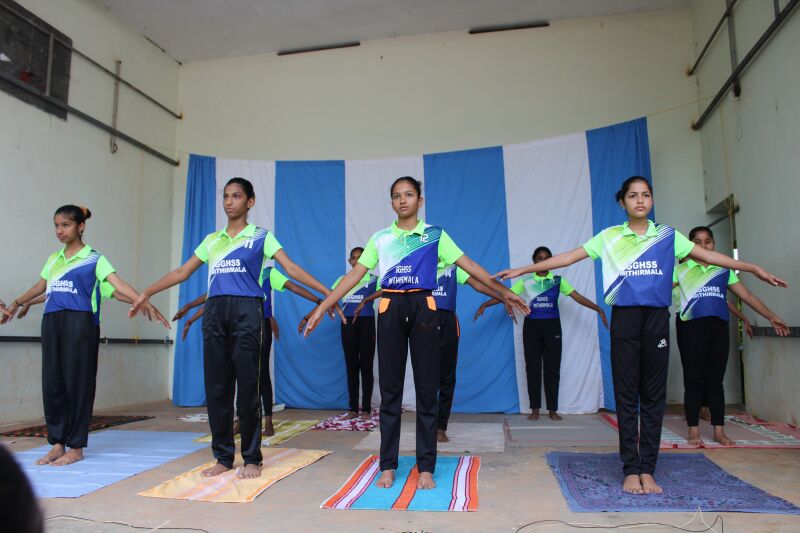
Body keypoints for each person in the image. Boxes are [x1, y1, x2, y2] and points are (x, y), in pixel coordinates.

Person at [497, 176, 786, 495]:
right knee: (626, 394)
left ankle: (648, 468)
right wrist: (523, 270)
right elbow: (567, 257)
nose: (640, 200)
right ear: (622, 202)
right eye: (633, 196)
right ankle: (630, 469)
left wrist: (751, 267)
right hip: (626, 319)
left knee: (653, 395)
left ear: (651, 200)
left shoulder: (667, 236)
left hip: (656, 320)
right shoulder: (609, 237)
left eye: (645, 195)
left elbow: (708, 257)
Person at [304, 176, 530, 490]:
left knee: (427, 389)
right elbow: (353, 277)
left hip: (425, 306)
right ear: (392, 202)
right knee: (391, 392)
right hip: (390, 307)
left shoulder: (435, 235)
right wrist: (321, 307)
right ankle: (388, 465)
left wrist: (504, 293)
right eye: (397, 196)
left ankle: (426, 466)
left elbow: (472, 267)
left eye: (409, 195)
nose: (403, 200)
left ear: (419, 200)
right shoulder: (381, 238)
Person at [130, 177, 331, 479]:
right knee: (217, 388)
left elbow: (290, 269)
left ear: (249, 202)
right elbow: (182, 272)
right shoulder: (212, 240)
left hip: (247, 311)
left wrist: (328, 293)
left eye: (236, 196)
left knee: (248, 385)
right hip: (215, 311)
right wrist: (147, 291)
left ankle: (252, 457)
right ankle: (223, 456)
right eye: (225, 196)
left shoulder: (261, 237)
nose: (229, 201)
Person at [2, 205, 164, 466]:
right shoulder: (53, 259)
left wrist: (143, 300)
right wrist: (17, 302)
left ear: (81, 227)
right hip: (52, 320)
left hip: (80, 323)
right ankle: (57, 443)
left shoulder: (95, 259)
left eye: (65, 225)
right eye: (56, 225)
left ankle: (76, 447)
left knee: (78, 383)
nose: (59, 230)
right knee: (52, 383)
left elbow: (118, 285)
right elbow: (42, 287)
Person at [355, 262, 515, 442]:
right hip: (423, 318)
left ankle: (440, 426)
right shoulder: (420, 264)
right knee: (425, 375)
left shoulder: (454, 267)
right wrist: (367, 300)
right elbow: (393, 288)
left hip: (447, 320)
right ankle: (427, 425)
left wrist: (503, 298)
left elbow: (478, 285)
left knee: (447, 375)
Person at [175, 266, 330, 436]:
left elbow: (293, 286)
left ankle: (268, 422)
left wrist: (318, 301)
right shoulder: (239, 269)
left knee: (261, 374)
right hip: (239, 325)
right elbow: (214, 295)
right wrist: (190, 312)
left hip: (260, 324)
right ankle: (242, 420)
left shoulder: (268, 273)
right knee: (239, 372)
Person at [674, 225, 789, 446]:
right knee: (694, 380)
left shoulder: (723, 271)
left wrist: (771, 316)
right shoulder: (680, 271)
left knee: (716, 381)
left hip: (718, 328)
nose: (703, 246)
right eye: (697, 242)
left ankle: (719, 431)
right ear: (689, 246)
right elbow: (656, 292)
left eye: (708, 241)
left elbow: (747, 295)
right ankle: (693, 431)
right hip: (690, 327)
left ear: (714, 245)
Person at [475, 246, 608, 422]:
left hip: (552, 327)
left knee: (552, 368)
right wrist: (486, 304)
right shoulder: (526, 281)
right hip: (531, 327)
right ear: (534, 261)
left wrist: (597, 308)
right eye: (539, 258)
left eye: (546, 258)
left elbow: (577, 297)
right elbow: (507, 296)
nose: (543, 261)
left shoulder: (558, 281)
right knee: (533, 368)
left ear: (551, 261)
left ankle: (553, 409)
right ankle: (535, 409)